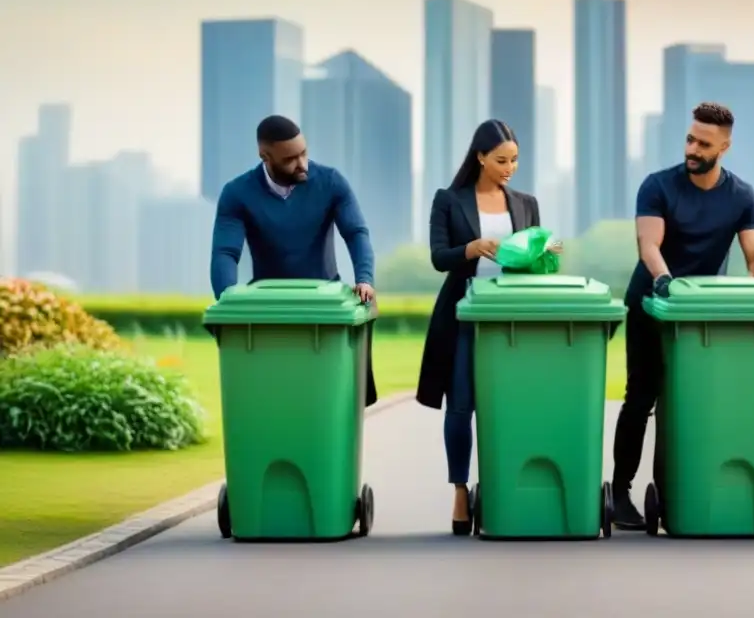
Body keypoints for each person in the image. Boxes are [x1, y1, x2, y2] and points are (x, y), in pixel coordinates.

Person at [610, 102, 754, 530]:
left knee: (702, 403)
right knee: (641, 396)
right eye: (690, 139)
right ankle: (621, 491)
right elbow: (650, 246)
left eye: (704, 143)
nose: (693, 148)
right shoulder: (658, 186)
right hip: (652, 304)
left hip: (701, 316)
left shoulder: (741, 195)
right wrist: (666, 281)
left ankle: (693, 486)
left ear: (724, 147)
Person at [416, 119, 557, 536]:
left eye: (514, 160)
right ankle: (460, 490)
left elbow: (531, 261)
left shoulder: (526, 203)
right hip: (463, 314)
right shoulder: (449, 200)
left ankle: (510, 484)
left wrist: (545, 251)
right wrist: (471, 248)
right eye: (501, 160)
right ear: (480, 157)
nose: (510, 167)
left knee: (515, 406)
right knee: (461, 404)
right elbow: (439, 257)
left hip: (511, 318)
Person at [209, 114, 380, 406]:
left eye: (304, 153)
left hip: (327, 303)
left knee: (334, 400)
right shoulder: (237, 194)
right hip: (268, 306)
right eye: (290, 158)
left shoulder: (331, 182)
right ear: (265, 156)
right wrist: (227, 299)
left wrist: (364, 278)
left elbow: (356, 233)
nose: (302, 164)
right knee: (273, 401)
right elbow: (225, 252)